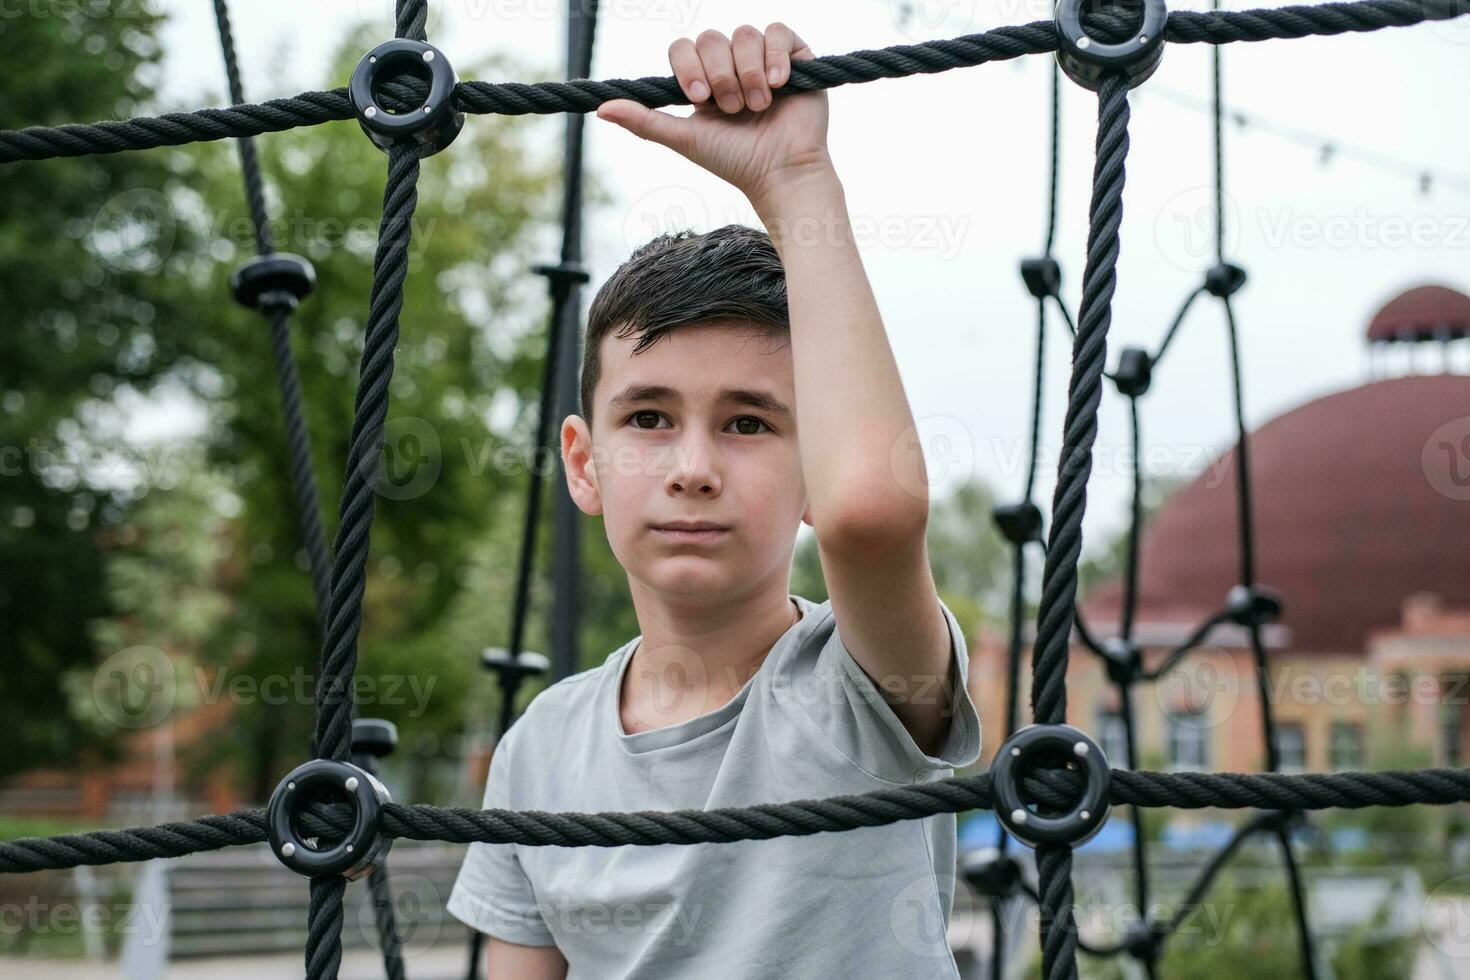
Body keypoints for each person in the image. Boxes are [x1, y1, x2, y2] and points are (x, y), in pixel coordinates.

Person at [446, 22, 982, 979]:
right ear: (583, 463)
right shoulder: (543, 748)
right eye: (648, 419)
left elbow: (872, 513)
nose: (694, 466)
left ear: (816, 463)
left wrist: (797, 183)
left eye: (749, 425)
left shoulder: (860, 684)